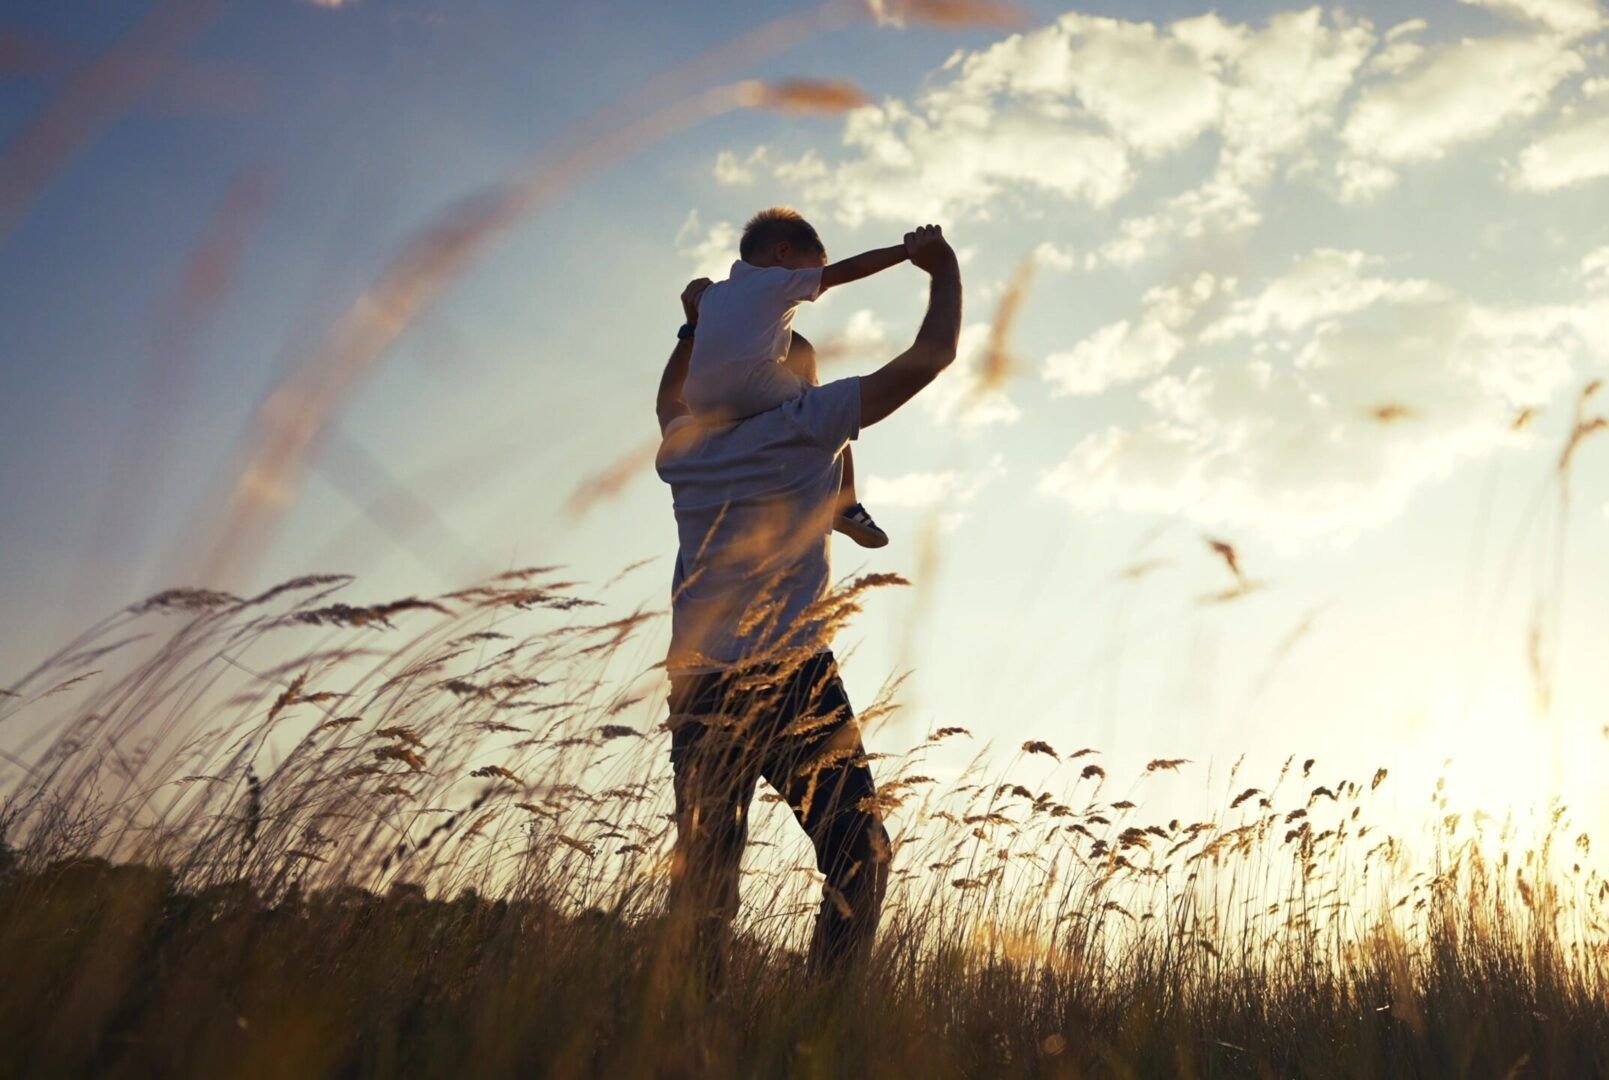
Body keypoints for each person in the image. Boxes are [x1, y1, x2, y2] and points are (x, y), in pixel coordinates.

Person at [653, 223, 962, 990]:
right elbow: (932, 358)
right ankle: (816, 1025)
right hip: (791, 676)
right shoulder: (805, 424)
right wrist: (942, 268)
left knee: (702, 890)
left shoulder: (679, 446)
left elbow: (669, 392)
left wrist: (696, 323)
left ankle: (684, 1042)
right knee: (859, 858)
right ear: (792, 379)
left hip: (697, 686)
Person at [663, 206, 912, 548]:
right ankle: (847, 504)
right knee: (825, 402)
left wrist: (691, 323)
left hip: (700, 402)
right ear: (783, 252)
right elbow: (849, 269)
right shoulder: (777, 280)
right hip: (751, 384)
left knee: (800, 356)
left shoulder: (710, 296)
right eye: (814, 270)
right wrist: (907, 251)